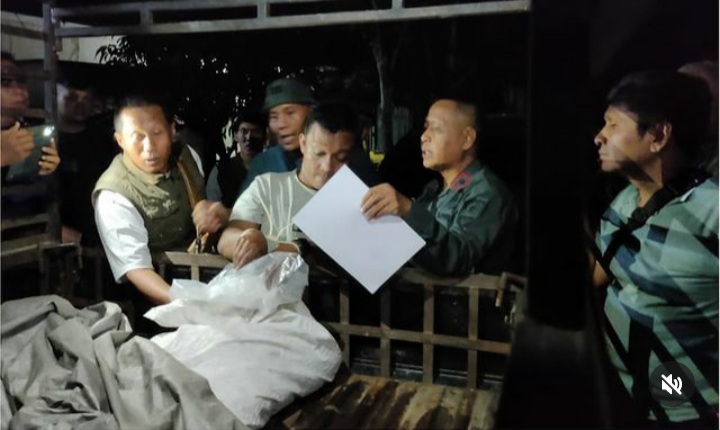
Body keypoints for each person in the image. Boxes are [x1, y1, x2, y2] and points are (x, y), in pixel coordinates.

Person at [591, 70, 718, 427]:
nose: (599, 136)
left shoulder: (711, 210)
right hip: (629, 399)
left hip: (692, 412)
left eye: (613, 124)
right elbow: (598, 276)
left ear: (659, 135)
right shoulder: (623, 203)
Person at [361, 98, 517, 276]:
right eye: (426, 127)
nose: (424, 137)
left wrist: (409, 210)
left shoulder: (488, 193)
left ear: (467, 139)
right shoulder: (434, 189)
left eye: (436, 129)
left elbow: (458, 258)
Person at [93, 95, 215, 306]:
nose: (149, 146)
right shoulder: (113, 196)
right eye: (137, 137)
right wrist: (188, 306)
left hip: (205, 274)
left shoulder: (187, 159)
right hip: (157, 297)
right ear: (120, 140)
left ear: (172, 130)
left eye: (157, 133)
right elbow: (138, 271)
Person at [218, 101, 357, 268]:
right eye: (319, 154)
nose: (327, 167)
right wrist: (248, 241)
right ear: (303, 143)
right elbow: (227, 240)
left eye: (340, 158)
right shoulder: (267, 187)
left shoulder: (357, 203)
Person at [238, 78, 378, 194]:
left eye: (290, 113)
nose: (281, 124)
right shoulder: (263, 163)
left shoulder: (355, 160)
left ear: (312, 111)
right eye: (274, 117)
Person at [1, 52, 60, 176]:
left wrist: (41, 168)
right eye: (5, 82)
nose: (19, 90)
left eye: (21, 81)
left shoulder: (33, 129)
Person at [205, 110, 266, 207]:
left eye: (255, 132)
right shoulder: (221, 171)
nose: (249, 137)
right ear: (235, 135)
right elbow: (214, 210)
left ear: (264, 136)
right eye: (244, 131)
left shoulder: (273, 168)